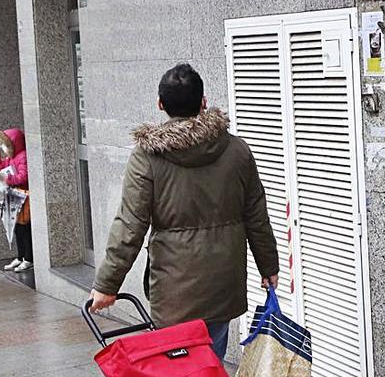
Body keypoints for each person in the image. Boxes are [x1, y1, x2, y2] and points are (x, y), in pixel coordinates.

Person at [89, 63, 279, 360]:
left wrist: (106, 285)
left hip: (174, 290)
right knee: (210, 363)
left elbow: (130, 225)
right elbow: (256, 215)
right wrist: (268, 266)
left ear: (161, 105)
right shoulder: (237, 150)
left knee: (180, 373)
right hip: (222, 284)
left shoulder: (148, 157)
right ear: (203, 102)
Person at [0, 128, 32, 272]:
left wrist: (8, 180)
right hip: (16, 197)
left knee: (25, 228)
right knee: (17, 228)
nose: (3, 148)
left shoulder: (22, 157)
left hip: (24, 197)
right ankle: (20, 257)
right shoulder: (12, 157)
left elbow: (24, 176)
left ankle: (28, 258)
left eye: (5, 145)